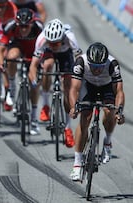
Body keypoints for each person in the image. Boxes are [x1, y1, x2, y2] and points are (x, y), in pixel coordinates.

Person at [69, 42, 125, 181]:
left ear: (104, 63)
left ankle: (107, 141)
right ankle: (77, 163)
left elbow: (118, 91)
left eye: (100, 67)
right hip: (88, 86)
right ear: (89, 61)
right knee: (85, 119)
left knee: (109, 111)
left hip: (106, 87)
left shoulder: (112, 64)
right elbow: (74, 89)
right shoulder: (81, 61)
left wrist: (119, 111)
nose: (97, 70)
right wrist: (73, 107)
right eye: (94, 66)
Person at [28, 18, 82, 144]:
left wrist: (77, 78)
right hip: (48, 55)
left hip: (66, 55)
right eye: (50, 43)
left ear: (62, 38)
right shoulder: (42, 39)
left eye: (56, 44)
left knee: (67, 87)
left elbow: (79, 60)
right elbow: (33, 65)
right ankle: (46, 105)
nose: (53, 46)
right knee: (47, 65)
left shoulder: (70, 37)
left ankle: (68, 128)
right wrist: (34, 81)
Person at [0, 8, 43, 123]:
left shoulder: (39, 28)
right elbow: (0, 49)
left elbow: (46, 48)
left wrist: (41, 63)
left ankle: (34, 116)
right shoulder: (10, 27)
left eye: (26, 26)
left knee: (34, 85)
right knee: (11, 57)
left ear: (32, 24)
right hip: (18, 47)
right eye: (21, 26)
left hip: (34, 51)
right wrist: (1, 64)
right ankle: (12, 85)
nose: (23, 29)